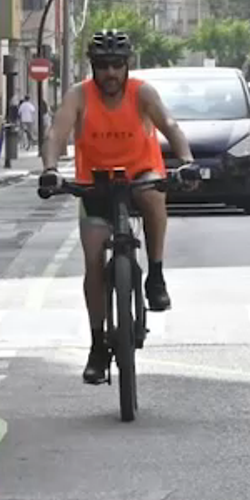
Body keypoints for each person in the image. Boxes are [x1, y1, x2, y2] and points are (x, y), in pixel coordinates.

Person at [38, 30, 200, 385]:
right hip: (94, 183)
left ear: (128, 66)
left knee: (155, 196)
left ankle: (155, 275)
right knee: (93, 259)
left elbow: (170, 125)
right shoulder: (78, 96)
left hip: (140, 175)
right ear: (93, 68)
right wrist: (50, 170)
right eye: (102, 66)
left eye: (117, 65)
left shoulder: (142, 93)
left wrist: (186, 161)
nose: (110, 73)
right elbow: (57, 133)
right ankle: (98, 346)